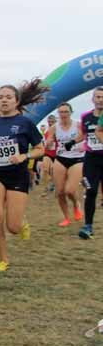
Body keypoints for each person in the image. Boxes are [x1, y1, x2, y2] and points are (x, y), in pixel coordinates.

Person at [0, 81, 48, 269]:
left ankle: (21, 222)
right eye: (0, 97)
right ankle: (3, 259)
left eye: (8, 97)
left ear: (16, 101)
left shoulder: (25, 123)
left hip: (18, 175)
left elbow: (41, 149)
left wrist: (25, 155)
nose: (4, 100)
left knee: (13, 227)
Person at [48, 103, 84, 227]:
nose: (63, 114)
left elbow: (86, 137)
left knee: (70, 190)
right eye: (61, 112)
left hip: (77, 158)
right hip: (61, 158)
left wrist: (82, 146)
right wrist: (49, 142)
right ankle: (66, 218)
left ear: (71, 112)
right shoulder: (54, 127)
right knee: (60, 192)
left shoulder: (78, 124)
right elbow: (49, 141)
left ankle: (76, 205)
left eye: (66, 112)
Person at [79, 87, 103, 240]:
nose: (100, 99)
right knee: (90, 191)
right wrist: (71, 142)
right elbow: (83, 134)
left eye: (102, 97)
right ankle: (88, 225)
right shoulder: (85, 116)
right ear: (93, 99)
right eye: (98, 96)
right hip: (91, 158)